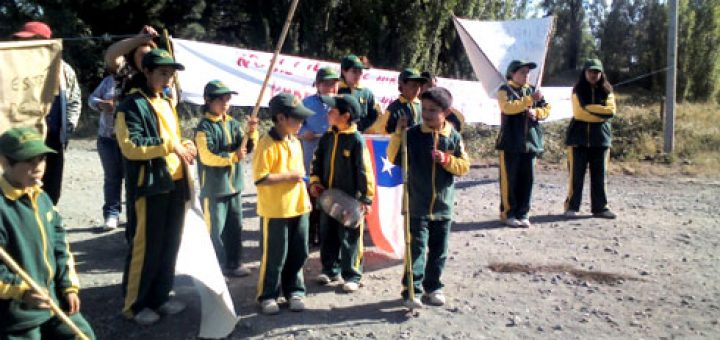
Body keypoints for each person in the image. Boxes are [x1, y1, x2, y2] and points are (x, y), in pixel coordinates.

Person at [115, 49, 197, 325]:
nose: (168, 78)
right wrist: (170, 146)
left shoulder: (166, 102)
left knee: (169, 243)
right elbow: (130, 147)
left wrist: (183, 144)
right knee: (145, 247)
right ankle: (134, 305)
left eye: (170, 74)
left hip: (174, 182)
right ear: (146, 72)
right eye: (162, 73)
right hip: (149, 185)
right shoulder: (130, 105)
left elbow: (171, 137)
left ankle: (160, 296)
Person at [0, 127, 95, 339]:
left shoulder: (41, 198)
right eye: (29, 161)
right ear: (5, 162)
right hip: (16, 315)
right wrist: (23, 291)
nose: (38, 168)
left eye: (41, 160)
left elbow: (60, 244)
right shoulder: (2, 207)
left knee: (82, 335)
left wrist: (68, 287)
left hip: (53, 301)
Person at [386, 87, 470, 309]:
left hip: (443, 206)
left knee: (439, 251)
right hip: (417, 204)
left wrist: (446, 160)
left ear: (446, 111)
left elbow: (464, 167)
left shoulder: (453, 136)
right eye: (424, 109)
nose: (427, 114)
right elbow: (393, 158)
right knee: (416, 249)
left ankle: (434, 287)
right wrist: (398, 133)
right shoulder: (412, 135)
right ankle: (411, 289)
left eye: (433, 110)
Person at [252, 93, 314, 315]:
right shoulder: (266, 143)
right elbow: (261, 178)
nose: (301, 123)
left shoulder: (295, 142)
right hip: (276, 210)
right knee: (274, 255)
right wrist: (289, 176)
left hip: (299, 206)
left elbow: (300, 176)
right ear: (280, 118)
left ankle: (295, 291)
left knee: (299, 251)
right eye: (296, 119)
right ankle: (267, 295)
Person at [308, 95, 375, 293]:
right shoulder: (328, 136)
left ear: (346, 116)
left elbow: (365, 171)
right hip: (328, 198)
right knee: (327, 233)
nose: (328, 113)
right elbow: (317, 160)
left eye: (333, 111)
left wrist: (366, 198)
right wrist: (315, 181)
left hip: (350, 201)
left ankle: (352, 274)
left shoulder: (356, 140)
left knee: (350, 237)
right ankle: (329, 269)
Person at [13, 21, 82, 205]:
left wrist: (67, 128)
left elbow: (74, 99)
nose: (25, 45)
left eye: (31, 40)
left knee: (51, 189)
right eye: (22, 40)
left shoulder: (63, 70)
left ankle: (48, 223)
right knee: (18, 186)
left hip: (53, 138)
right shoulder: (11, 67)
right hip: (21, 138)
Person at [195, 80, 259, 278]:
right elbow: (207, 156)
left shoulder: (232, 123)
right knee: (214, 230)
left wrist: (252, 131)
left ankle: (234, 263)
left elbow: (247, 147)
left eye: (227, 99)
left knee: (234, 227)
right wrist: (232, 157)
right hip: (215, 189)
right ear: (208, 100)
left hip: (235, 187)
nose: (225, 103)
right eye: (220, 99)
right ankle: (215, 268)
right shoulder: (203, 128)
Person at [495, 60, 551, 228]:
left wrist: (537, 112)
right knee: (509, 180)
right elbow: (508, 108)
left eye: (527, 73)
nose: (526, 75)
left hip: (530, 142)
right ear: (512, 74)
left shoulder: (533, 90)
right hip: (510, 142)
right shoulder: (504, 90)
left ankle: (523, 213)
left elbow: (547, 108)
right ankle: (508, 213)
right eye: (522, 72)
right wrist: (528, 101)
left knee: (527, 179)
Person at [564, 58, 617, 219]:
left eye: (596, 72)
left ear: (601, 73)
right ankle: (571, 207)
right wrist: (599, 112)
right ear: (584, 73)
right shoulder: (577, 90)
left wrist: (588, 108)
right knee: (576, 175)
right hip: (577, 139)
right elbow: (579, 114)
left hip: (600, 140)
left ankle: (600, 207)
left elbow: (611, 112)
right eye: (590, 71)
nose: (593, 75)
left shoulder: (608, 90)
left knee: (600, 175)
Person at [299, 67, 341, 245]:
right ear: (317, 85)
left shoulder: (341, 104)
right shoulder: (306, 103)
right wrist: (303, 131)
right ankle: (309, 234)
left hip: (334, 157)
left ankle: (328, 235)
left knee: (331, 195)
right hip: (312, 155)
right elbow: (295, 124)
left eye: (334, 83)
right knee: (312, 194)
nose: (331, 87)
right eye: (326, 83)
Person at [88, 74, 124, 230]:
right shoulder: (108, 81)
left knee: (133, 179)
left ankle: (135, 216)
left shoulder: (139, 80)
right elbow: (91, 99)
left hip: (129, 139)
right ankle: (111, 215)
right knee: (111, 178)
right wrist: (101, 104)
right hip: (107, 137)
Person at [104, 25, 159, 102]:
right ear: (133, 57)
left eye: (149, 55)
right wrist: (138, 40)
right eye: (142, 55)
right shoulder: (125, 70)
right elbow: (110, 55)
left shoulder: (158, 73)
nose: (146, 59)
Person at [337, 54, 381, 133]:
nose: (358, 75)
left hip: (360, 137)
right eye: (354, 71)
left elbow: (374, 116)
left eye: (360, 71)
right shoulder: (336, 91)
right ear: (344, 71)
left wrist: (362, 126)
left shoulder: (367, 93)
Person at [383, 68, 428, 134]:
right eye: (414, 85)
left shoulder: (424, 106)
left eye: (419, 85)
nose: (417, 88)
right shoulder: (393, 109)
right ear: (402, 85)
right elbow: (383, 134)